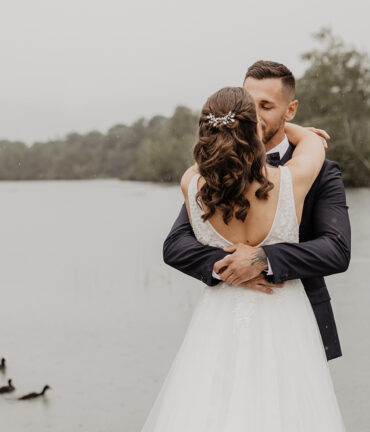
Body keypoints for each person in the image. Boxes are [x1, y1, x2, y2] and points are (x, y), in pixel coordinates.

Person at [141, 86, 345, 430]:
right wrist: (295, 128)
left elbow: (337, 250)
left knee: (211, 411)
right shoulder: (292, 180)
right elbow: (313, 144)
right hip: (286, 318)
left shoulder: (191, 183)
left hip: (217, 322)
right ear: (255, 130)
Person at [162, 61, 351, 361]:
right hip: (224, 327)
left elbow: (336, 250)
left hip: (299, 327)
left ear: (290, 110)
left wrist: (264, 260)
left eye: (266, 106)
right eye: (251, 106)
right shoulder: (214, 177)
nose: (256, 116)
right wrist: (228, 267)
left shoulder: (322, 173)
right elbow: (176, 245)